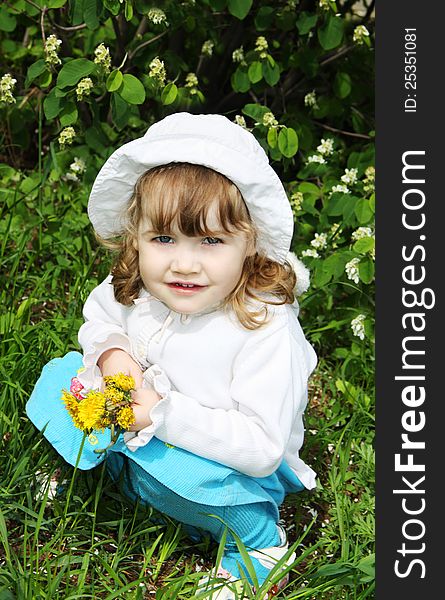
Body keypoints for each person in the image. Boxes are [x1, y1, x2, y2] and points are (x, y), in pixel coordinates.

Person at [27, 112, 317, 598]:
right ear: (135, 235)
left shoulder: (263, 327)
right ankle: (115, 473)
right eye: (163, 239)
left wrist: (160, 414)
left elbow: (262, 447)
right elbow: (98, 319)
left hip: (220, 462)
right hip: (133, 415)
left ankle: (258, 544)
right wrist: (113, 355)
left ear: (251, 245)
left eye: (211, 241)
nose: (184, 263)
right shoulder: (139, 287)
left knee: (184, 476)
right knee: (61, 380)